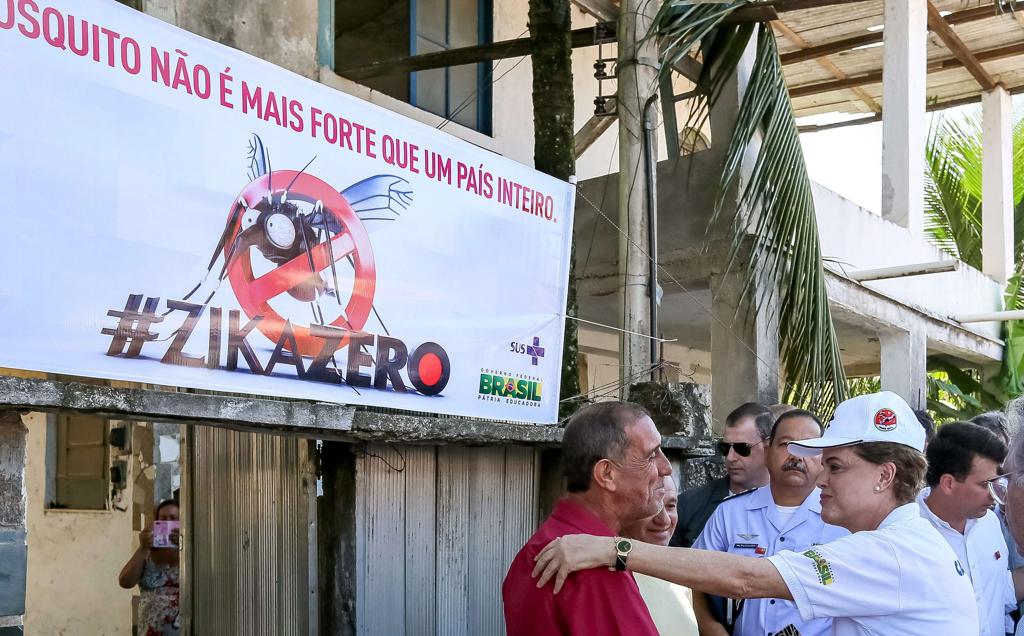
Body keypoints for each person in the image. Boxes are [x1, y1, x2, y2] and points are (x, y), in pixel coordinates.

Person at [532, 391, 980, 635]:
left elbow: (745, 579)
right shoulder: (905, 543)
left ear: (885, 476)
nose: (821, 479)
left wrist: (613, 549)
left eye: (836, 467)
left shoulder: (891, 553)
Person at [502, 401, 672, 635]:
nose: (666, 467)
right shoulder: (594, 564)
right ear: (607, 474)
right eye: (651, 455)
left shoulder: (544, 545)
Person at [692, 409, 848, 636]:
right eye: (786, 444)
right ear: (767, 452)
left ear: (823, 458)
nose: (796, 455)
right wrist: (713, 630)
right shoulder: (730, 513)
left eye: (809, 447)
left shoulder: (842, 521)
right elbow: (695, 576)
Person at [918, 422, 1014, 636]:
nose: (994, 494)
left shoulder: (990, 523)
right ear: (948, 483)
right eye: (985, 484)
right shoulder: (908, 533)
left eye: (997, 483)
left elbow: (999, 591)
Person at [672, 402, 773, 547]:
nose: (730, 458)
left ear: (768, 447)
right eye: (725, 448)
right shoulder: (688, 506)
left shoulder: (791, 503)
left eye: (741, 448)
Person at [621, 475, 699, 636]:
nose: (664, 520)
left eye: (670, 506)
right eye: (651, 506)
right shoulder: (607, 579)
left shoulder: (680, 574)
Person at [119, 499, 180, 636]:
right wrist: (143, 548)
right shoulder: (148, 552)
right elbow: (125, 582)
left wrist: (185, 543)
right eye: (163, 519)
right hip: (148, 630)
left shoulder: (192, 551)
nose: (168, 523)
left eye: (173, 518)